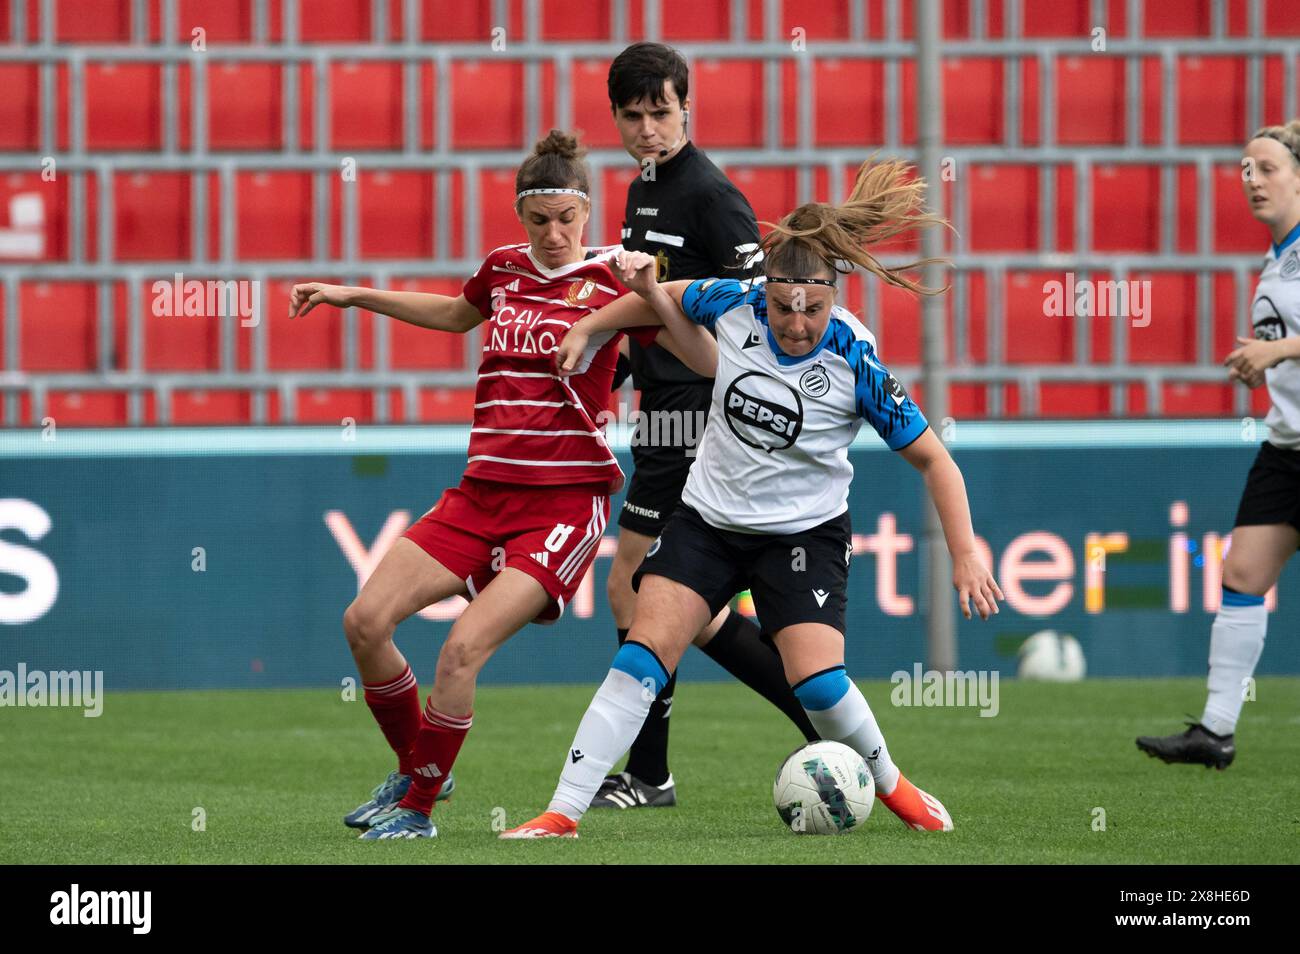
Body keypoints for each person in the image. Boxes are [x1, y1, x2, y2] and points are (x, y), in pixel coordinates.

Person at [501, 158, 1004, 839]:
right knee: (639, 660)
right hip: (707, 522)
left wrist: (967, 555)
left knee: (820, 686)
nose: (796, 325)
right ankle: (562, 813)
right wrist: (591, 327)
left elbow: (934, 460)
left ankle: (893, 786)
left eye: (814, 310)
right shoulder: (733, 300)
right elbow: (666, 297)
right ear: (763, 293)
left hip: (803, 536)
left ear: (834, 297)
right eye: (782, 307)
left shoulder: (855, 359)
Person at [288, 130, 705, 839]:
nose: (552, 233)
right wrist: (351, 295)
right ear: (521, 217)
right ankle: (424, 768)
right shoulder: (502, 268)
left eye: (565, 218)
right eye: (538, 219)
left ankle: (416, 813)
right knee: (363, 623)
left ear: (587, 212)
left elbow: (691, 332)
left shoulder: (616, 276)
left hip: (564, 505)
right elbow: (456, 315)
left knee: (461, 650)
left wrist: (646, 288)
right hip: (480, 494)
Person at [590, 41, 821, 811]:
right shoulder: (641, 191)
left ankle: (651, 775)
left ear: (687, 107)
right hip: (662, 407)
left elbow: (751, 318)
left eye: (661, 111)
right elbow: (657, 310)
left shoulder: (713, 199)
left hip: (697, 415)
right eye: (634, 115)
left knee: (634, 589)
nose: (648, 128)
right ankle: (818, 721)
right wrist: (622, 368)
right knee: (686, 605)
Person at [1137, 120, 1300, 770]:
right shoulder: (1277, 258)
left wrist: (1277, 349)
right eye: (1243, 170)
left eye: (1265, 167)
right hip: (1287, 449)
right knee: (1241, 575)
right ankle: (1216, 732)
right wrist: (1265, 363)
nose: (1251, 180)